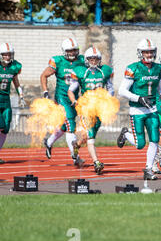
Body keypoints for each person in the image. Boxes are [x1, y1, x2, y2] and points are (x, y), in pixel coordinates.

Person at [116, 38, 161, 185]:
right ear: (140, 53)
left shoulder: (158, 68)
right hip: (137, 110)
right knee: (139, 144)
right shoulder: (133, 68)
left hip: (152, 109)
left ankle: (148, 169)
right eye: (146, 51)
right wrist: (138, 98)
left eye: (151, 51)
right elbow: (122, 91)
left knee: (155, 140)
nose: (149, 54)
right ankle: (125, 134)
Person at [68, 46, 114, 175]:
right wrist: (74, 101)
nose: (93, 61)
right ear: (87, 59)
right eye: (91, 58)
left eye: (96, 58)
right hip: (86, 108)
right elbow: (71, 90)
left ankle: (76, 145)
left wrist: (108, 98)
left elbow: (110, 88)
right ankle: (96, 162)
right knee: (90, 136)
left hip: (99, 108)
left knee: (87, 136)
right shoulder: (80, 71)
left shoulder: (105, 70)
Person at [40, 38, 85, 167]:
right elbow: (44, 75)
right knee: (71, 125)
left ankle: (48, 142)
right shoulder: (58, 61)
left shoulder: (82, 60)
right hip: (61, 97)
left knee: (65, 126)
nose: (72, 53)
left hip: (74, 98)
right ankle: (75, 157)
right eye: (69, 50)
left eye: (74, 50)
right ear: (64, 51)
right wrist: (45, 91)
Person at [0, 43, 25, 164]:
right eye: (5, 54)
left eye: (9, 54)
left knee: (5, 128)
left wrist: (21, 96)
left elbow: (16, 83)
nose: (7, 56)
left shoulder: (14, 67)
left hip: (6, 99)